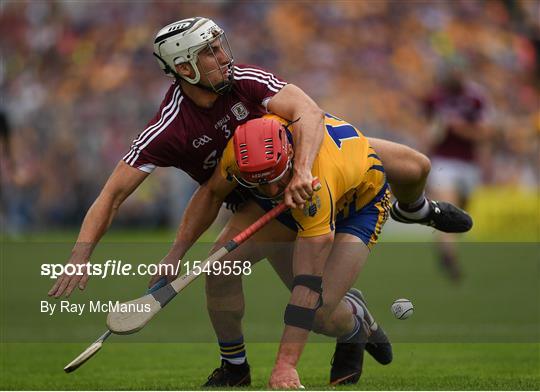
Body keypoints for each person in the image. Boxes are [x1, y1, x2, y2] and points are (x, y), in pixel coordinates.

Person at [47, 17, 472, 386]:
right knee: (227, 273)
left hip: (312, 160)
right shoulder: (170, 127)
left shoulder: (246, 79)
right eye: (210, 52)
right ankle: (237, 368)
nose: (223, 56)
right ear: (183, 67)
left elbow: (308, 112)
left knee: (415, 166)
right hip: (263, 195)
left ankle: (415, 209)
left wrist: (303, 170)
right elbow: (118, 194)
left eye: (219, 46)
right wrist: (90, 255)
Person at [404, 69, 490, 281]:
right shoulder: (435, 98)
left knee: (461, 213)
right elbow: (426, 127)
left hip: (469, 164)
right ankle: (449, 256)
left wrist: (461, 130)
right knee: (447, 208)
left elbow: (485, 131)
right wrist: (426, 142)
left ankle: (445, 242)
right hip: (443, 163)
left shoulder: (476, 98)